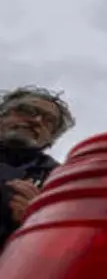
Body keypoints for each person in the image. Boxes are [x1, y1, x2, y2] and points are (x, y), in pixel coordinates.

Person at [0, 87, 74, 250]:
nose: (37, 121)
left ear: (50, 139)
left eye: (49, 122)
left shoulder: (60, 181)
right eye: (26, 111)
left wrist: (37, 220)